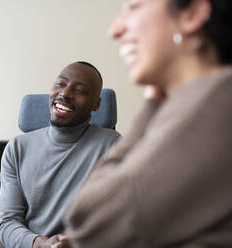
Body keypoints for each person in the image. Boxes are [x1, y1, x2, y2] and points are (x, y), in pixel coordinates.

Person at [64, 0, 232, 247]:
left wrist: (150, 105)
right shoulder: (201, 102)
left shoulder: (214, 104)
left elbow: (89, 226)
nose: (115, 29)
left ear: (192, 14)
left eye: (133, 6)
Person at [0, 62, 121, 248]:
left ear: (96, 104)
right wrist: (40, 244)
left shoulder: (112, 147)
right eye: (60, 84)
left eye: (79, 90)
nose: (65, 93)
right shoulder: (17, 148)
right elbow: (7, 224)